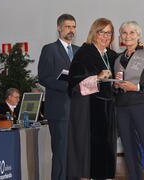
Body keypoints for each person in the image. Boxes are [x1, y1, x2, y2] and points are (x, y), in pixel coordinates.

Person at [67, 18, 118, 180]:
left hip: (108, 109)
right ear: (94, 33)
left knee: (107, 151)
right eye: (101, 32)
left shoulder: (111, 55)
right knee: (87, 155)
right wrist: (97, 77)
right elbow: (74, 83)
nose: (105, 36)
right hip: (88, 109)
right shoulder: (84, 53)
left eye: (108, 33)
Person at [114, 21, 144, 180]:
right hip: (122, 108)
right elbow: (116, 88)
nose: (128, 36)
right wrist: (116, 85)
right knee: (129, 151)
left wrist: (135, 87)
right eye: (124, 33)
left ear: (138, 35)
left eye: (132, 33)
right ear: (120, 36)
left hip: (142, 105)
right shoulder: (118, 59)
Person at [38, 14, 79, 180]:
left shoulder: (78, 50)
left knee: (75, 154)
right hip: (59, 110)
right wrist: (66, 85)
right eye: (68, 26)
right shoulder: (50, 49)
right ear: (59, 28)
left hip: (78, 110)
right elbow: (43, 77)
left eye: (74, 27)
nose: (71, 30)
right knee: (61, 154)